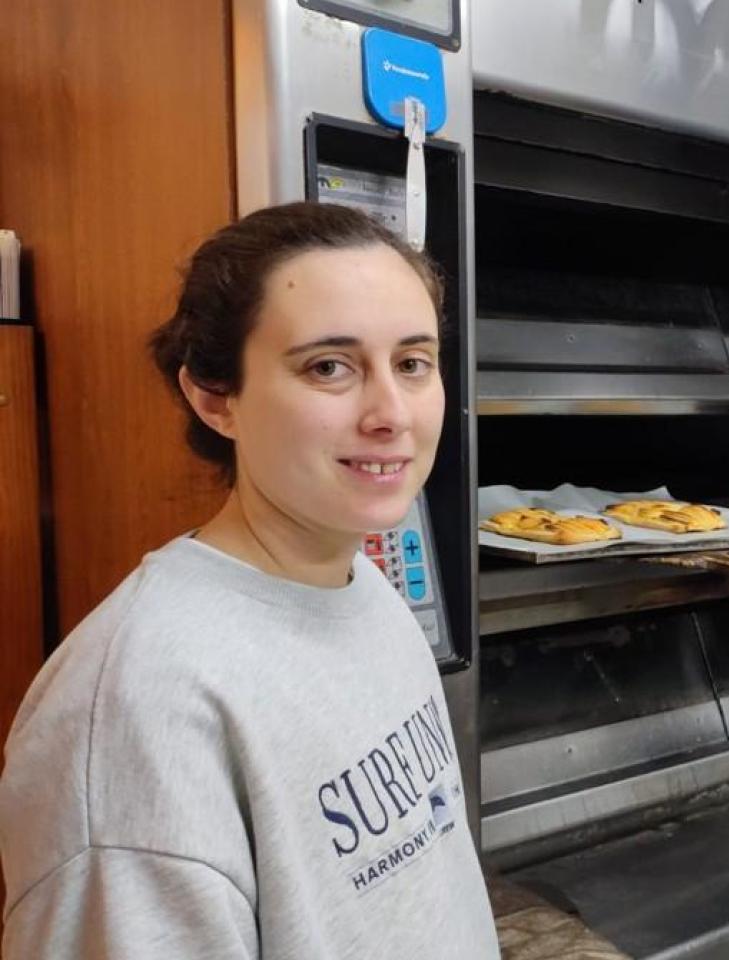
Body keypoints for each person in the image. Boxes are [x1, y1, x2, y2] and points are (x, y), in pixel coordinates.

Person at [0, 203, 501, 958]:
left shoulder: (364, 588)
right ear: (214, 397)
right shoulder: (144, 707)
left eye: (412, 362)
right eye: (329, 366)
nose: (391, 413)